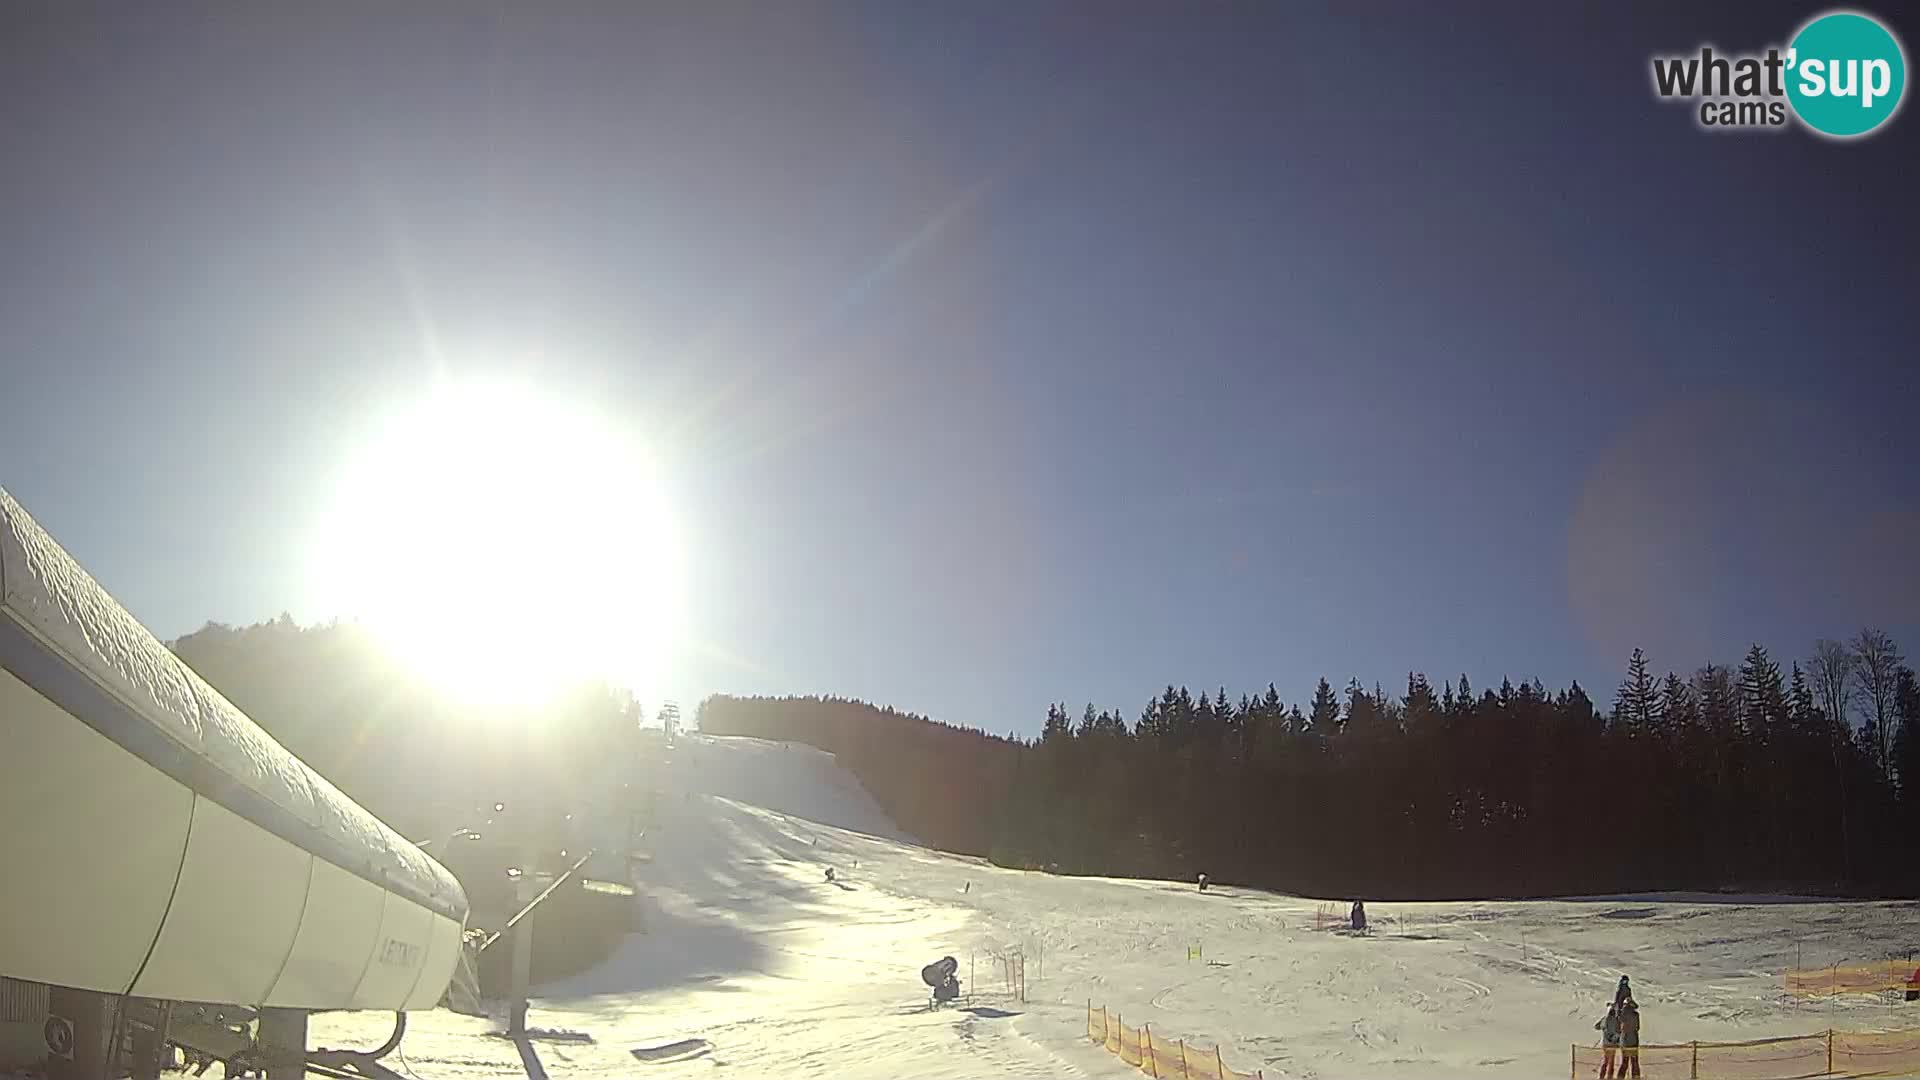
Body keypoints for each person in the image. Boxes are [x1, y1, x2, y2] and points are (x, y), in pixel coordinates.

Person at [1616, 998, 1641, 1079]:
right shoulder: (1636, 1015)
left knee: (1624, 1062)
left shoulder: (1622, 1014)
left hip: (1625, 1042)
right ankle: (1636, 1077)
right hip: (1634, 1042)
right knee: (1634, 1063)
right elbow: (1637, 1027)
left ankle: (1620, 1077)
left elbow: (1618, 1028)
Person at [1594, 1003, 1620, 1079]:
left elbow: (1596, 1026)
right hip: (1613, 1043)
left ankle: (1601, 1076)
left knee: (1605, 1060)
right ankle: (1609, 1077)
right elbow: (1619, 1031)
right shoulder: (1616, 1020)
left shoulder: (1604, 1019)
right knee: (1611, 1062)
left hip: (1605, 1043)